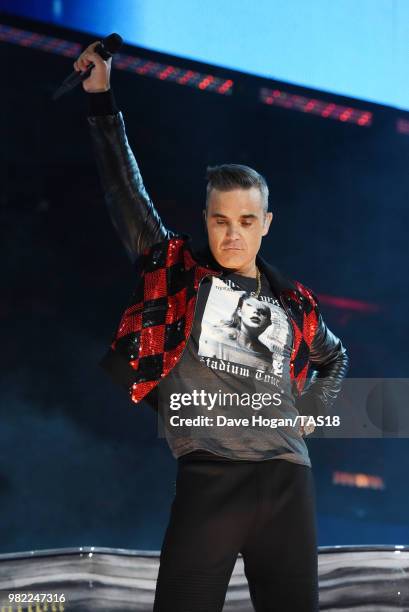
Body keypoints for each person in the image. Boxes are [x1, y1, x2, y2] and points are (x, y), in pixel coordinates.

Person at [74, 42, 349, 612]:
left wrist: (312, 418)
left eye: (246, 221)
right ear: (205, 219)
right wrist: (101, 100)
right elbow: (126, 194)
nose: (232, 234)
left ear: (265, 224)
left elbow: (334, 357)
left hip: (287, 483)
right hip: (208, 479)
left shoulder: (295, 301)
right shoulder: (177, 272)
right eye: (221, 220)